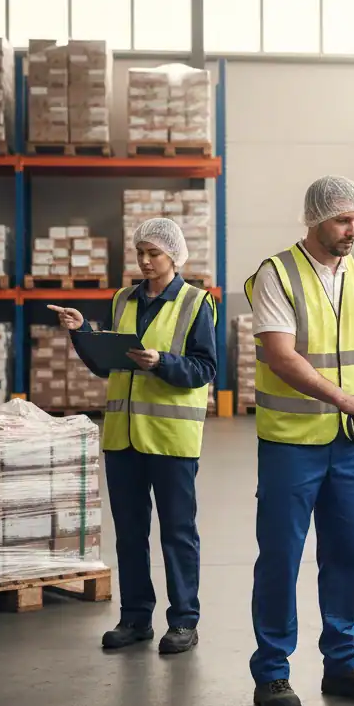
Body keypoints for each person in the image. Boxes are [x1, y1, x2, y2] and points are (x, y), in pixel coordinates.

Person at [243, 175, 354, 706]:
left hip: (348, 445)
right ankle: (273, 672)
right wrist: (344, 398)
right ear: (315, 219)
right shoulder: (277, 274)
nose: (352, 231)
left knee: (346, 554)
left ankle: (344, 662)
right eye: (343, 221)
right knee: (281, 557)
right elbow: (281, 356)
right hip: (291, 444)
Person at [48, 218, 217, 655]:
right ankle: (135, 618)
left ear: (174, 257)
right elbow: (108, 365)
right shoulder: (123, 298)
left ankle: (183, 621)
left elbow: (205, 369)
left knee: (177, 531)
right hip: (122, 437)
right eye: (140, 252)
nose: (144, 260)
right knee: (129, 531)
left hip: (170, 437)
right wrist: (82, 331)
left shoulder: (197, 303)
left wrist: (161, 362)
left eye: (153, 253)